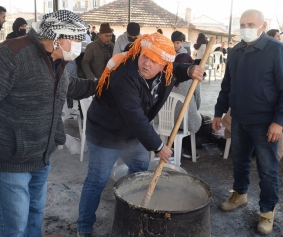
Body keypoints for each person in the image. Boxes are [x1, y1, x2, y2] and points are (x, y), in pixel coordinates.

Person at [0, 10, 97, 236]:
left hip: (41, 156)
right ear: (56, 37)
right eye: (74, 38)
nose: (78, 45)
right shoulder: (11, 54)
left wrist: (105, 81)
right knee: (14, 225)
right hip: (9, 158)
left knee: (35, 213)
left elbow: (71, 87)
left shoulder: (56, 60)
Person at [76, 32, 204, 236]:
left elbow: (178, 69)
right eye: (145, 56)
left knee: (139, 168)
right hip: (105, 133)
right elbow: (135, 117)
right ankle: (83, 227)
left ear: (164, 65)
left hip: (131, 134)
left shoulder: (167, 70)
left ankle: (130, 211)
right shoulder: (124, 75)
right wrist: (159, 146)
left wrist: (191, 69)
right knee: (97, 180)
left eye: (154, 61)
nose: (146, 63)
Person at [212, 9, 283, 235]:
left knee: (267, 170)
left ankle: (267, 212)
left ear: (263, 25)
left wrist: (279, 122)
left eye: (250, 24)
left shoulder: (277, 51)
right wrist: (219, 112)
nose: (245, 28)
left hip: (265, 123)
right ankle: (239, 194)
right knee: (239, 161)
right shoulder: (236, 51)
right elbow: (226, 85)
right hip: (239, 118)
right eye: (242, 24)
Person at [171, 30, 201, 158]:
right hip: (187, 118)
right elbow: (198, 99)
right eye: (174, 43)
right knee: (193, 116)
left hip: (166, 119)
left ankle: (171, 147)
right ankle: (188, 150)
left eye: (177, 43)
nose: (175, 45)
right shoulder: (194, 75)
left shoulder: (166, 69)